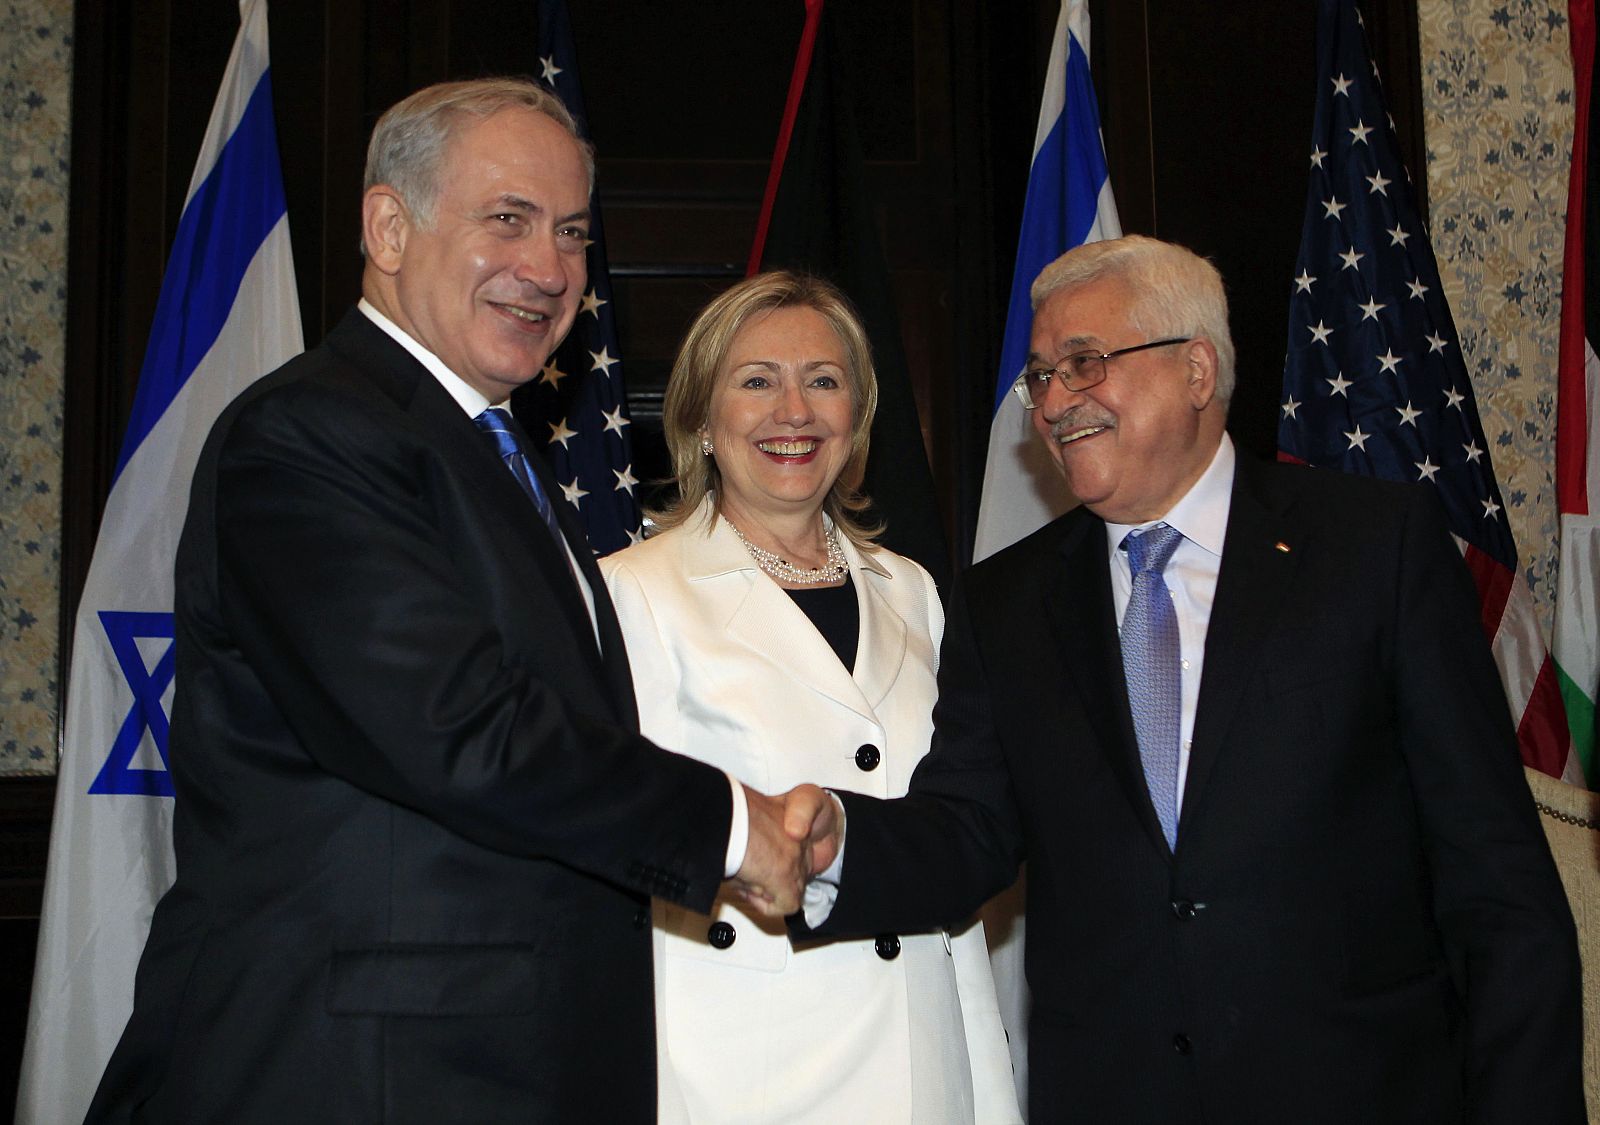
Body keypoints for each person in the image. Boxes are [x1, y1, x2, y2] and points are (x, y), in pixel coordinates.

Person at [85, 79, 824, 1124]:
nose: (551, 270)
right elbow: (458, 726)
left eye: (570, 233)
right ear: (389, 227)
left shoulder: (491, 449)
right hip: (357, 1073)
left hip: (491, 1062)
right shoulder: (308, 437)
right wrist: (732, 831)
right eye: (508, 220)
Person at [794, 236, 1585, 1123]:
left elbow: (1498, 885)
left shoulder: (1374, 550)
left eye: (1085, 363)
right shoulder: (1004, 600)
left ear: (1197, 369)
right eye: (1042, 377)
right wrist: (831, 850)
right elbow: (969, 825)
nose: (1055, 402)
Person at [598, 272, 1020, 1123]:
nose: (794, 410)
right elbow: (616, 833)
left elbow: (952, 830)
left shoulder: (915, 593)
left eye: (823, 381)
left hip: (925, 1053)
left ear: (856, 420)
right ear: (700, 421)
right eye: (757, 381)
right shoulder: (630, 593)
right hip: (742, 1068)